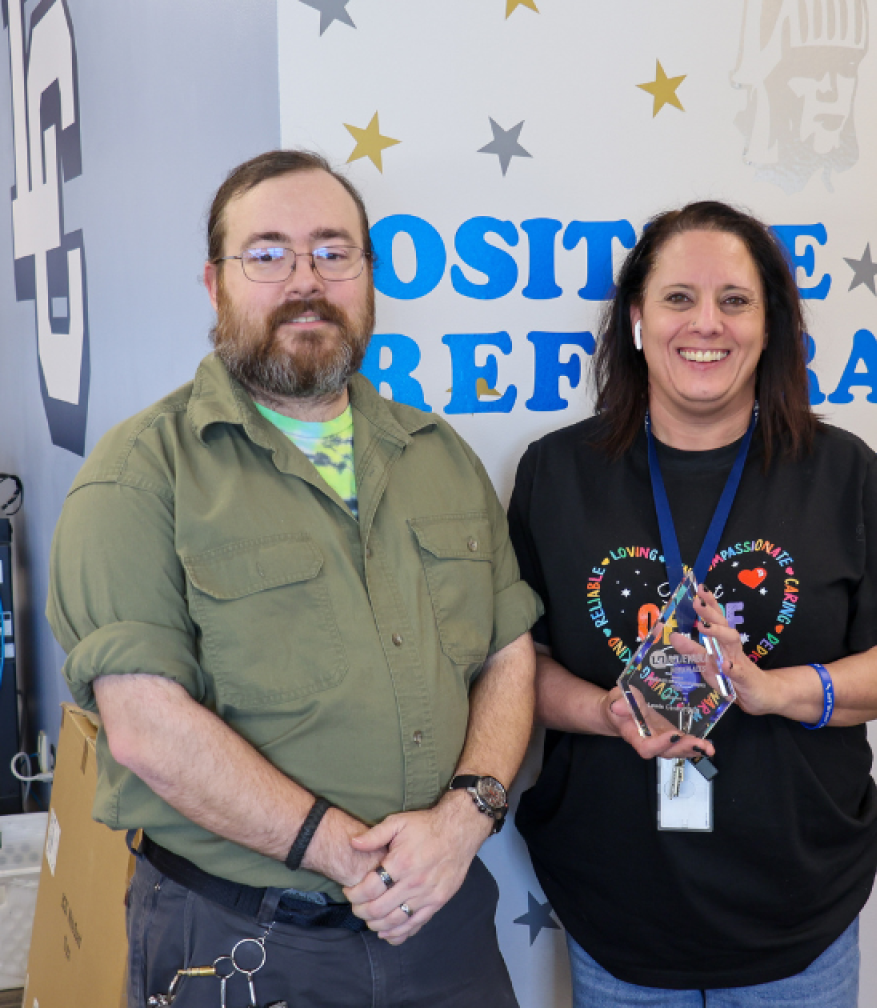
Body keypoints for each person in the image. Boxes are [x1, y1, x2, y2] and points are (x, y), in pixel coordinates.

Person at [47, 150, 540, 1005]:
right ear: (215, 284)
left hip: (445, 917)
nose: (305, 281)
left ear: (369, 277)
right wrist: (345, 853)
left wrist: (466, 819)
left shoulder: (438, 455)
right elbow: (143, 728)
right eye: (268, 254)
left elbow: (507, 652)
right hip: (239, 938)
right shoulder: (139, 475)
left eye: (332, 252)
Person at [507, 200, 877, 1004]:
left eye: (734, 301)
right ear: (638, 317)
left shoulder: (840, 469)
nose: (705, 323)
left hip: (796, 914)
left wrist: (774, 690)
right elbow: (517, 670)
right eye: (679, 298)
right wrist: (610, 710)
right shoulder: (555, 474)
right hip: (618, 911)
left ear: (769, 324)